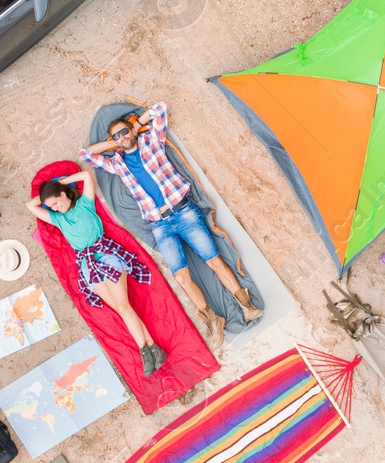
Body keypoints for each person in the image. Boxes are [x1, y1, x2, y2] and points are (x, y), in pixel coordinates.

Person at [82, 101, 262, 345]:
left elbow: (160, 108)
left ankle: (247, 306)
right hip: (159, 225)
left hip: (184, 213)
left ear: (133, 130)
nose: (121, 137)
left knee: (214, 261)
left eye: (124, 131)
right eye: (116, 136)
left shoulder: (152, 142)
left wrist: (136, 126)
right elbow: (85, 154)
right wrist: (116, 142)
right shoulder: (117, 163)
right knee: (181, 277)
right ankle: (212, 320)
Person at [26, 169, 167, 376]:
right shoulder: (58, 219)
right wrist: (47, 197)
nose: (54, 208)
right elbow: (30, 206)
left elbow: (85, 176)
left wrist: (63, 181)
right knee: (122, 309)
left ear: (63, 194)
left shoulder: (85, 203)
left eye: (55, 202)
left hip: (106, 254)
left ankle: (145, 351)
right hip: (87, 265)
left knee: (123, 305)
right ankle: (154, 349)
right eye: (50, 206)